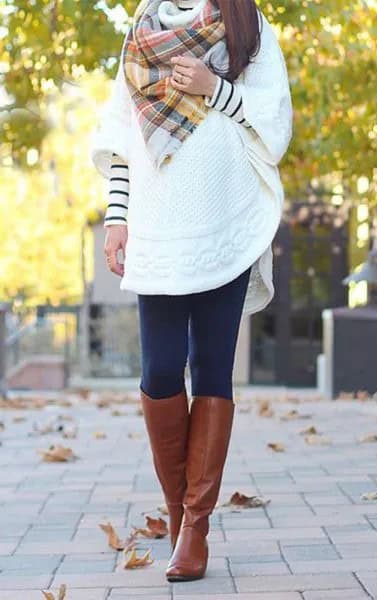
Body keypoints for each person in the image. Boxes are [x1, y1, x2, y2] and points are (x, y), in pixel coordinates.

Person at [91, 0, 292, 582]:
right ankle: (178, 514)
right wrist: (117, 217)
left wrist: (213, 86)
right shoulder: (140, 31)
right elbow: (124, 134)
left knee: (210, 369)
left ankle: (195, 527)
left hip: (225, 224)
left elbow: (271, 119)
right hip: (159, 229)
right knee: (158, 372)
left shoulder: (246, 26)